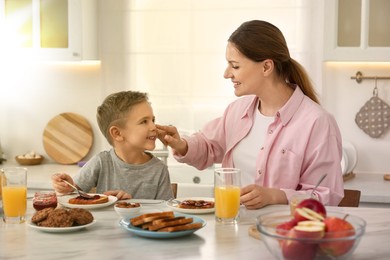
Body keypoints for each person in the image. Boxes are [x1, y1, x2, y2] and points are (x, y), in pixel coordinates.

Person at [157, 20, 344, 209]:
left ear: (266, 67)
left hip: (283, 231)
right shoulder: (237, 110)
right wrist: (181, 144)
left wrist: (275, 196)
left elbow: (326, 194)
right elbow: (209, 146)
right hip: (233, 223)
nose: (226, 73)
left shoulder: (317, 122)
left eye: (235, 66)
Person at [52, 91, 173, 200]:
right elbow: (70, 198)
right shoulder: (101, 162)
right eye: (144, 121)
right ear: (117, 133)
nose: (153, 127)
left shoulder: (159, 169)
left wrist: (129, 206)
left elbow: (166, 214)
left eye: (153, 120)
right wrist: (66, 188)